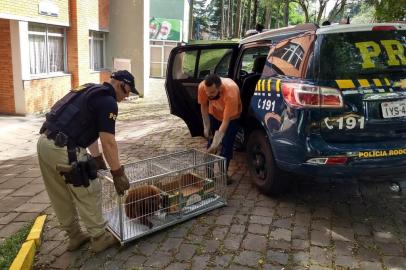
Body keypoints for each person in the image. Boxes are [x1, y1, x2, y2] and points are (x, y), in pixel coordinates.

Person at [37, 70, 138, 253]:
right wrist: (117, 173)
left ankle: (74, 236)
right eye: (128, 91)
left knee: (59, 193)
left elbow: (87, 129)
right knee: (90, 190)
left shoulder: (89, 89)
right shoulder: (108, 102)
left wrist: (98, 158)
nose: (127, 96)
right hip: (65, 149)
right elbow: (108, 142)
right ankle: (99, 237)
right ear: (121, 84)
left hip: (44, 144)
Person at [198, 74, 242, 184]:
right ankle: (210, 174)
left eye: (212, 92)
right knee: (211, 143)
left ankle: (223, 174)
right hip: (215, 114)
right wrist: (206, 126)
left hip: (231, 118)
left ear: (220, 88)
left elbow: (226, 121)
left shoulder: (230, 93)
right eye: (207, 92)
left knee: (227, 145)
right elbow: (204, 106)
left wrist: (217, 143)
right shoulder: (203, 87)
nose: (209, 95)